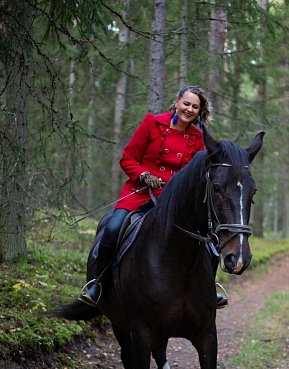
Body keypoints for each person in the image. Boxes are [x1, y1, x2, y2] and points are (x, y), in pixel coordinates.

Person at [80, 85, 227, 308]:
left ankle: (209, 286)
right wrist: (144, 175)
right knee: (112, 229)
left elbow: (197, 175)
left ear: (199, 111)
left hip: (173, 201)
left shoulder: (198, 138)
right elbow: (128, 158)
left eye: (195, 107)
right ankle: (97, 284)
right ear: (177, 102)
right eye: (186, 103)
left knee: (208, 241)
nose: (189, 109)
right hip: (139, 192)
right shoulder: (152, 123)